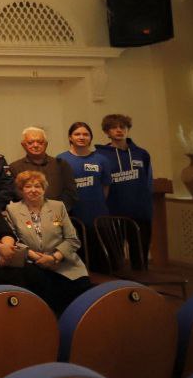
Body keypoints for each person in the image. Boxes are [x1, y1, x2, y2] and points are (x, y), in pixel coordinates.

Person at [5, 170, 92, 314]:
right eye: (28, 186)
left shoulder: (58, 206)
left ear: (44, 189)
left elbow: (72, 239)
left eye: (37, 186)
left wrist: (54, 258)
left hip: (64, 263)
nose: (33, 190)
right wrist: (35, 256)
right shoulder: (12, 209)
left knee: (81, 295)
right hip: (33, 264)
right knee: (45, 294)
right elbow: (14, 240)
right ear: (21, 189)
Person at [97, 113, 154, 258]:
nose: (119, 130)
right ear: (107, 132)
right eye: (114, 127)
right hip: (113, 214)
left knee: (140, 256)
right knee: (115, 258)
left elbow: (148, 183)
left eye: (122, 127)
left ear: (128, 129)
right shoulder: (100, 156)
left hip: (140, 214)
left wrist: (147, 208)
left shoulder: (141, 154)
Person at [59, 122, 111, 270]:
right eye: (77, 134)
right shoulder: (61, 160)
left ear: (90, 137)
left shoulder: (101, 160)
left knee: (100, 261)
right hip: (72, 215)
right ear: (70, 137)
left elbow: (106, 186)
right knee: (78, 262)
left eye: (85, 134)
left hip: (98, 215)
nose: (81, 137)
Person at [9, 127, 77, 210]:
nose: (35, 145)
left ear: (46, 144)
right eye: (30, 143)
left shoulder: (60, 164)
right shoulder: (14, 167)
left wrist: (59, 210)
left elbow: (70, 192)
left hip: (58, 213)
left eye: (40, 142)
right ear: (23, 145)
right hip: (27, 214)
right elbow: (15, 194)